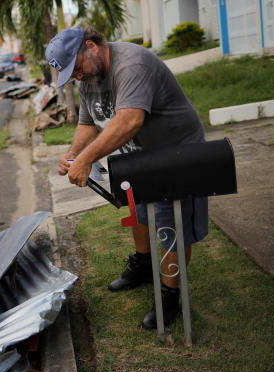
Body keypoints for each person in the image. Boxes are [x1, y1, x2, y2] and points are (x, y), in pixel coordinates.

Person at [47, 27, 208, 329]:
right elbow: (88, 122)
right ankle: (145, 265)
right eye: (71, 74)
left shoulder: (131, 64)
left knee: (170, 223)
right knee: (136, 211)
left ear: (91, 46)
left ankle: (170, 295)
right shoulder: (90, 76)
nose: (77, 77)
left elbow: (130, 120)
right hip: (137, 155)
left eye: (76, 68)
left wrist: (86, 159)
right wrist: (72, 154)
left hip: (175, 151)